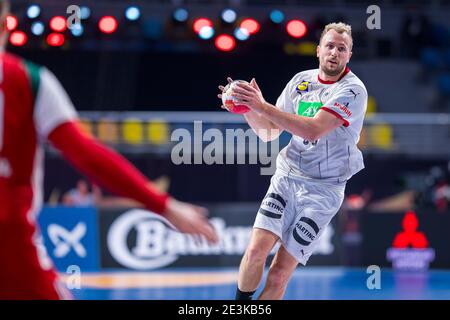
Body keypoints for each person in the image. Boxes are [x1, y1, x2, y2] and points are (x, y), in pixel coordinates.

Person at [0, 0, 217, 300]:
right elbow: (85, 154)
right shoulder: (28, 79)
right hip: (9, 241)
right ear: (5, 24)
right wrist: (162, 203)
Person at [218, 22, 368, 300]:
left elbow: (313, 128)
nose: (334, 52)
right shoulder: (302, 81)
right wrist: (248, 108)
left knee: (278, 274)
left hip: (323, 191)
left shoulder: (353, 90)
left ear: (349, 55)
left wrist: (262, 105)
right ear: (318, 50)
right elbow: (269, 131)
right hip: (287, 177)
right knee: (255, 252)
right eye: (330, 46)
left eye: (342, 48)